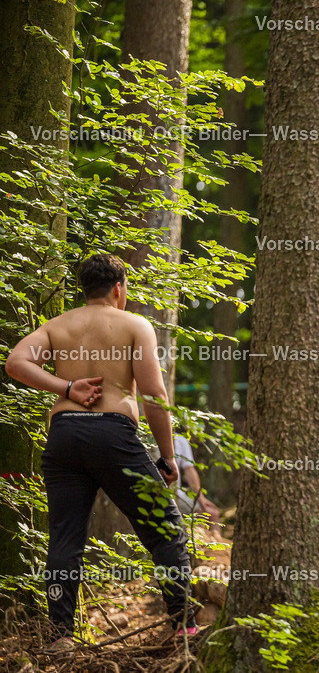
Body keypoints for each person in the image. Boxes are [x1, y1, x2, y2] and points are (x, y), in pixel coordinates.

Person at [5, 254, 196, 650]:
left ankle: (60, 638)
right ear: (119, 289)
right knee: (165, 529)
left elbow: (15, 362)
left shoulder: (58, 325)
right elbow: (156, 396)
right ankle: (184, 627)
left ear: (84, 289)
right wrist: (168, 455)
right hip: (113, 434)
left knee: (64, 539)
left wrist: (66, 387)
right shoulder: (135, 324)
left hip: (63, 436)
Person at [172, 433, 221, 523]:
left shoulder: (180, 440)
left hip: (178, 494)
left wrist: (201, 498)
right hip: (167, 494)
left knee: (213, 513)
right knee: (200, 514)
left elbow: (189, 470)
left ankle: (216, 537)